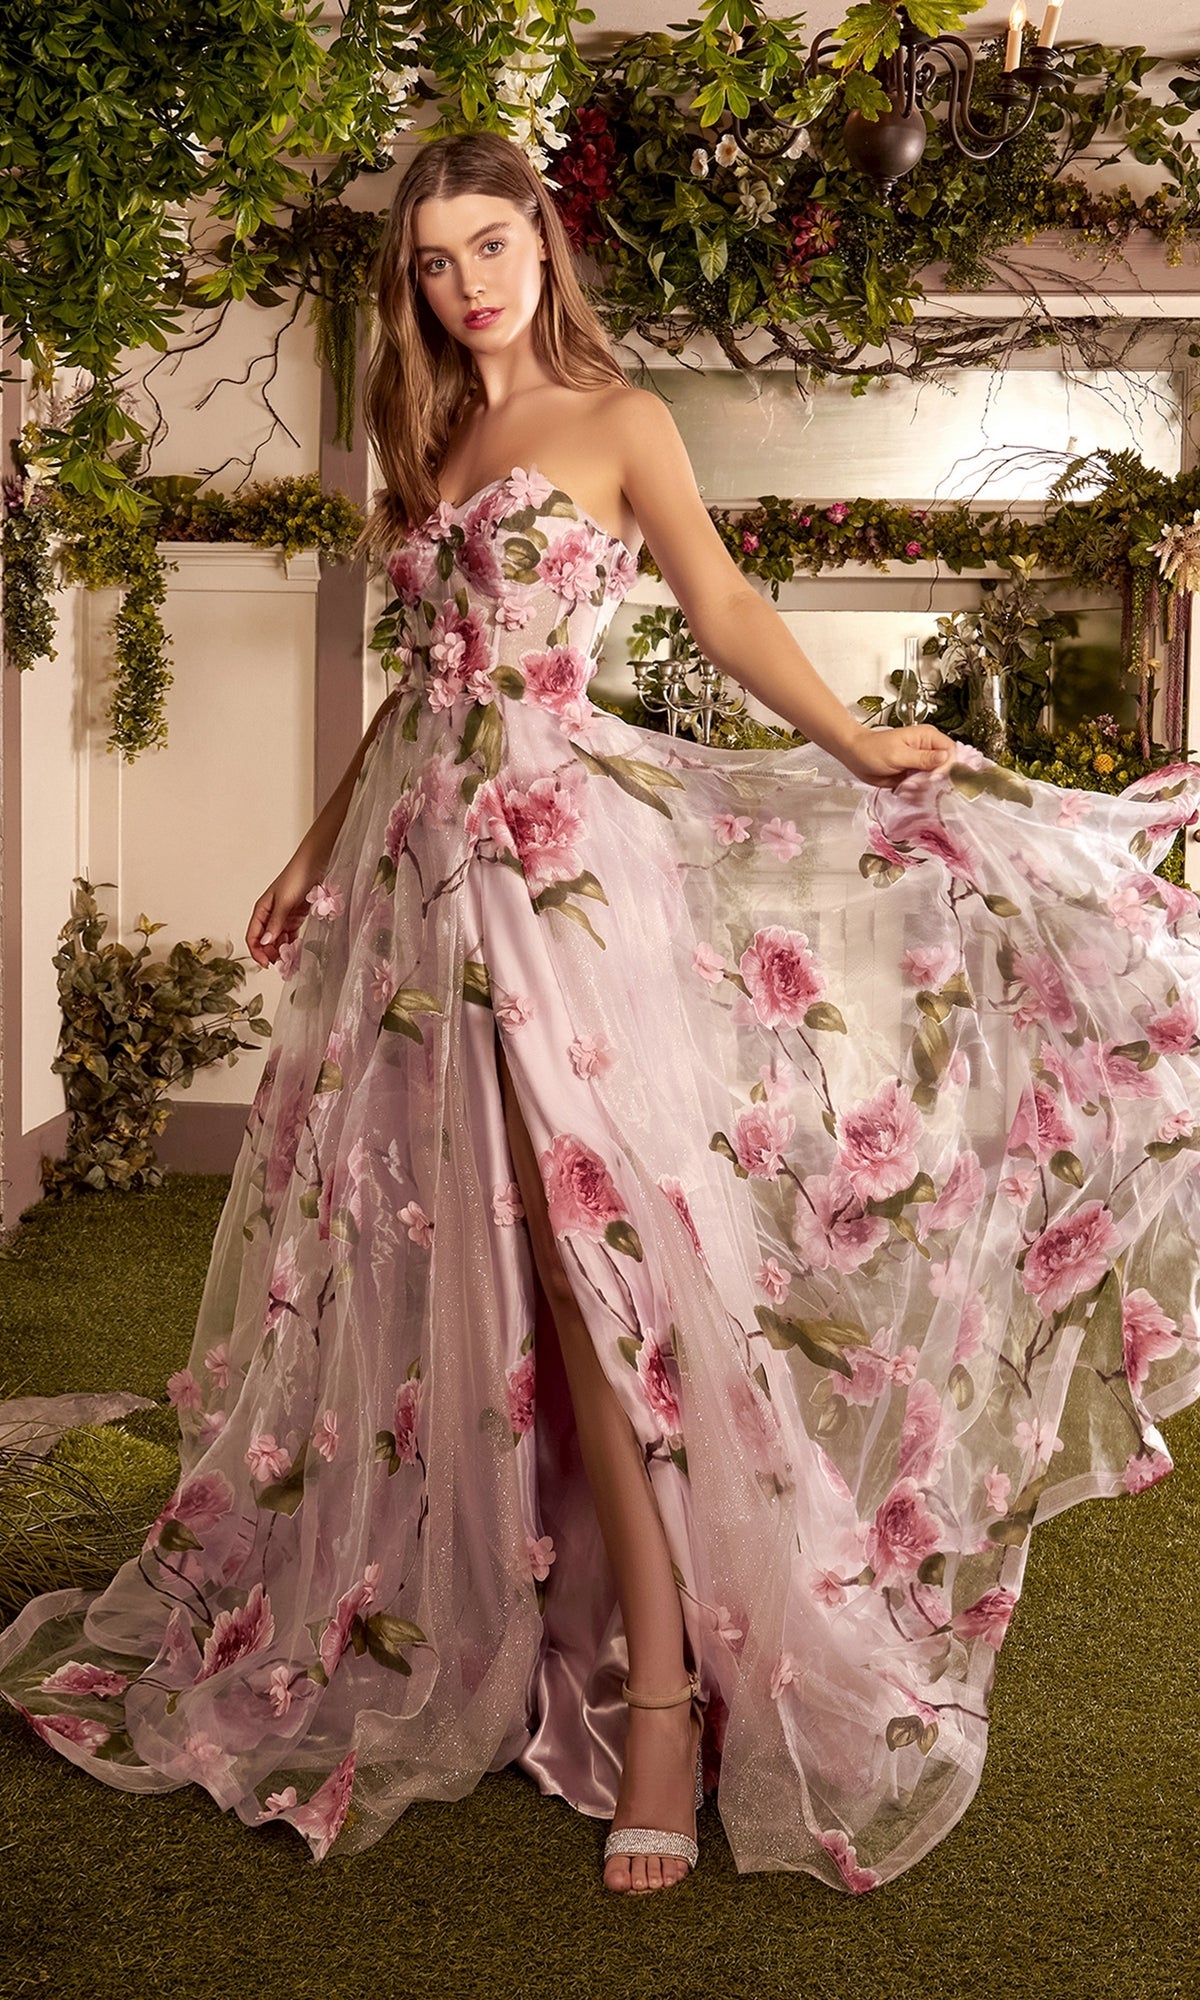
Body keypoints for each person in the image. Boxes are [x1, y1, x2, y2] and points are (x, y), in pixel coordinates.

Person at [3, 130, 1200, 1902]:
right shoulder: (431, 437)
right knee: (445, 1264)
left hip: (560, 883)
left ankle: (657, 1699)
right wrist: (316, 850)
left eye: (492, 245)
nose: (468, 282)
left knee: (598, 1276)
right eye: (434, 260)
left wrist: (858, 742)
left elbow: (714, 602)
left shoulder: (619, 418)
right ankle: (486, 1606)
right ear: (410, 282)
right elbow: (420, 690)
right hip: (418, 891)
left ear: (543, 247)